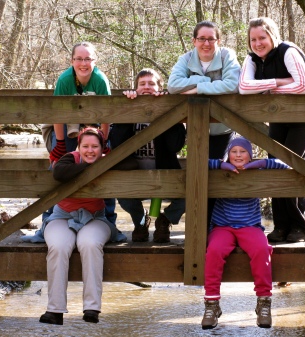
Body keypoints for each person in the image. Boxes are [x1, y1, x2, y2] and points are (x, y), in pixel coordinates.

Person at [238, 17, 305, 243]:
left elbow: (304, 86)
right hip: (278, 120)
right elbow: (244, 87)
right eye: (253, 39)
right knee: (273, 168)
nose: (258, 43)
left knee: (291, 168)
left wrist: (268, 89)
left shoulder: (289, 51)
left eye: (262, 37)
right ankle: (281, 226)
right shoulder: (252, 59)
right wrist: (279, 82)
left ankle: (299, 227)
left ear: (272, 36)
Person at [27, 128, 117, 325]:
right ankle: (55, 310)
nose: (90, 150)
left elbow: (132, 162)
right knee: (58, 247)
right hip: (62, 217)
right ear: (78, 146)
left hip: (96, 218)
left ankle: (92, 308)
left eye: (95, 146)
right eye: (85, 146)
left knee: (90, 244)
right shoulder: (70, 158)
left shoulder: (108, 158)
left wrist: (105, 160)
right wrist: (90, 166)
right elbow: (59, 172)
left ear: (103, 148)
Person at [202, 136, 289, 330]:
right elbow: (198, 163)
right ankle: (211, 305)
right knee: (214, 251)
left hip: (249, 226)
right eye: (234, 151)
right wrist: (221, 165)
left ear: (250, 155)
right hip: (222, 226)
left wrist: (259, 163)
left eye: (243, 152)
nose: (238, 155)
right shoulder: (221, 167)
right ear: (229, 154)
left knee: (261, 250)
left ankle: (264, 303)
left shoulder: (257, 170)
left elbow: (285, 165)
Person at [41, 41, 123, 240]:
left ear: (95, 61)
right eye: (79, 59)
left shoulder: (100, 80)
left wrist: (103, 144)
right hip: (68, 129)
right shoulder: (65, 79)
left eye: (88, 59)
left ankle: (108, 219)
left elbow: (106, 115)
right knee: (59, 167)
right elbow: (57, 114)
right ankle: (49, 219)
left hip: (94, 130)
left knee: (104, 169)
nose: (83, 63)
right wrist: (59, 145)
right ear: (72, 61)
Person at [167, 20, 241, 225]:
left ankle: (210, 228)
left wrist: (198, 89)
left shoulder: (227, 56)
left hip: (223, 129)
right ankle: (194, 226)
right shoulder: (186, 58)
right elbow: (173, 85)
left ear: (218, 40)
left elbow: (233, 84)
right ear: (194, 41)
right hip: (196, 131)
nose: (206, 43)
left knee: (215, 177)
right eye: (202, 39)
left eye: (211, 39)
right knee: (196, 178)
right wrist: (208, 82)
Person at [109, 68, 186, 243]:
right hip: (134, 174)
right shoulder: (129, 109)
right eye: (142, 84)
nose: (146, 87)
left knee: (190, 196)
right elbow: (116, 143)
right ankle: (140, 222)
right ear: (135, 88)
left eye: (151, 84)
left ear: (160, 88)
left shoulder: (169, 109)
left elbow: (175, 145)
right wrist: (129, 108)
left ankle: (164, 221)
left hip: (165, 173)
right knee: (122, 195)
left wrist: (167, 111)